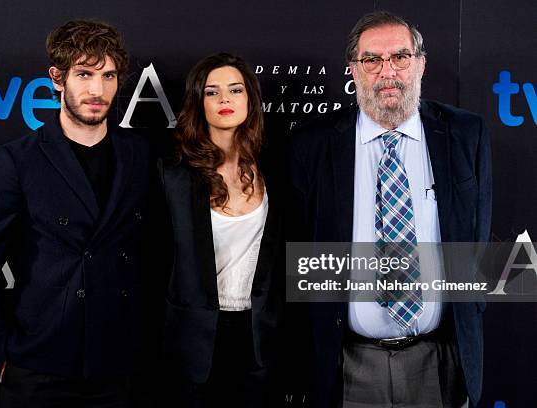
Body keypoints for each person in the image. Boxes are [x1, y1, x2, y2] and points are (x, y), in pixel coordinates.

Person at [289, 11, 491, 408]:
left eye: (400, 57)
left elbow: (477, 237)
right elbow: (298, 254)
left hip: (440, 361)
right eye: (372, 60)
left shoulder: (466, 134)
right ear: (353, 69)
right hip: (346, 365)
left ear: (421, 63)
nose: (388, 72)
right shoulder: (311, 144)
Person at [0, 20, 154, 407]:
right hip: (38, 364)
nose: (97, 90)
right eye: (84, 74)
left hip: (117, 364)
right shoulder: (17, 160)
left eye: (109, 75)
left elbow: (156, 253)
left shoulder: (140, 155)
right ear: (57, 78)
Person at [159, 53, 283, 408]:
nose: (225, 100)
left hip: (260, 341)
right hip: (193, 346)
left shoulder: (277, 167)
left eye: (235, 90)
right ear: (199, 102)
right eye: (212, 92)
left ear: (250, 99)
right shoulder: (174, 176)